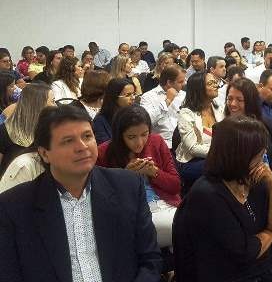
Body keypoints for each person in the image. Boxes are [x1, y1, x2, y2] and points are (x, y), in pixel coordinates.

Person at [0, 105, 162, 281]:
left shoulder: (127, 187)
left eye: (87, 136)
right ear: (45, 153)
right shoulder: (14, 206)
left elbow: (150, 260)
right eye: (68, 141)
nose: (82, 147)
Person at [173, 116, 272, 282]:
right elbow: (245, 253)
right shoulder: (206, 195)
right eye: (259, 155)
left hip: (263, 266)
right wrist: (270, 233)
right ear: (238, 156)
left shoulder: (254, 179)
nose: (263, 160)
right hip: (229, 274)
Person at [97, 105, 180, 248]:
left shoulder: (156, 142)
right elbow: (103, 200)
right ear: (119, 135)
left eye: (144, 134)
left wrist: (154, 172)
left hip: (166, 205)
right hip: (135, 214)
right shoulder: (104, 152)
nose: (140, 142)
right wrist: (125, 176)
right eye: (131, 137)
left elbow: (175, 185)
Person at [224, 78, 272, 185]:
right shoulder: (223, 130)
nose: (233, 104)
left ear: (250, 102)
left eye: (239, 100)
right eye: (230, 99)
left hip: (270, 184)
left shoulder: (266, 125)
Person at [0, 83, 54, 178]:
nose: (56, 106)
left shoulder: (52, 131)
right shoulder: (5, 131)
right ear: (38, 105)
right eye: (53, 101)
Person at [175, 72, 218, 187]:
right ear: (199, 89)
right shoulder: (186, 113)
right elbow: (193, 148)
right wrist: (220, 153)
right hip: (191, 161)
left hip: (215, 158)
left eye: (215, 82)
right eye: (210, 83)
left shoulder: (219, 108)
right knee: (222, 167)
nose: (216, 85)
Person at [140, 65, 187, 148]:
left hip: (184, 142)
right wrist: (167, 101)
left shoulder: (184, 95)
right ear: (169, 83)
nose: (184, 84)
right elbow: (147, 122)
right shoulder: (148, 97)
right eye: (180, 82)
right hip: (162, 144)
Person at [92, 78, 136, 144]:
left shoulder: (136, 114)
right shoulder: (100, 120)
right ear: (114, 97)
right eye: (128, 95)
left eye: (134, 94)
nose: (133, 98)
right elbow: (103, 148)